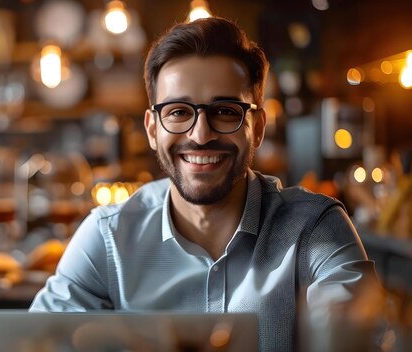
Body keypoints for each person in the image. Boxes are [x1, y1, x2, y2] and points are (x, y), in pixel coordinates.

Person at [30, 17, 380, 350]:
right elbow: (33, 344)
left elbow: (357, 340)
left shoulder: (315, 229)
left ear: (257, 127)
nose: (200, 135)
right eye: (179, 112)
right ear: (153, 129)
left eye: (226, 111)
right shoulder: (108, 236)